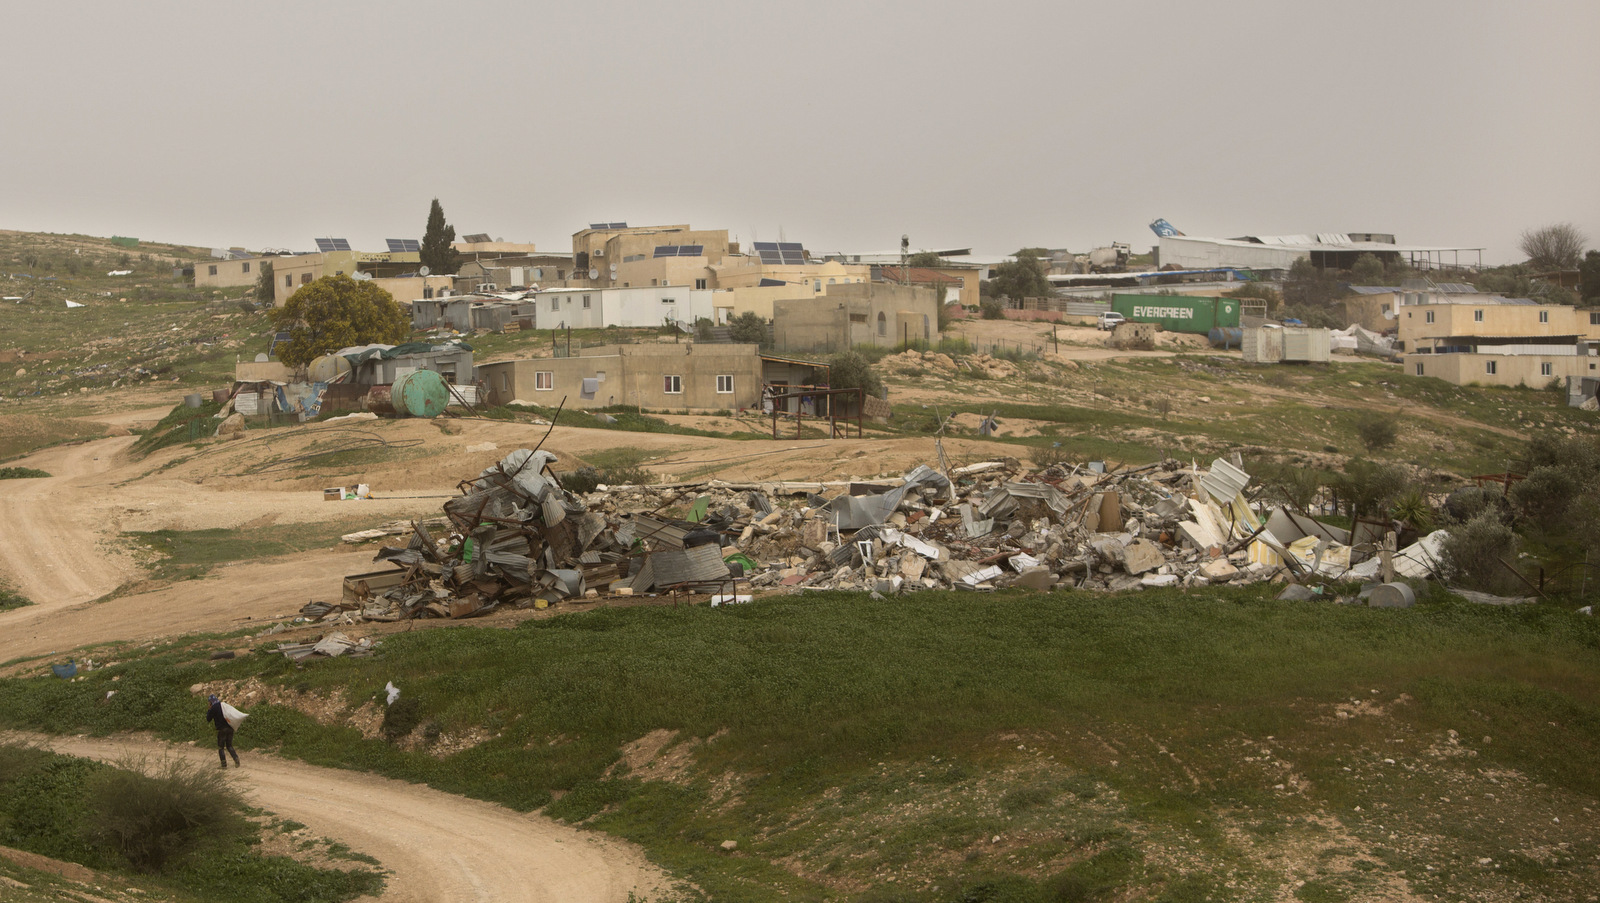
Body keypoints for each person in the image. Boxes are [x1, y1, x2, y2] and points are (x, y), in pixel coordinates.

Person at [205, 694, 241, 768]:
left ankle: (224, 765)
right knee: (229, 745)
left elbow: (208, 719)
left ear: (211, 702)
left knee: (221, 747)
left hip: (222, 729)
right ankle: (236, 758)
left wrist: (209, 710)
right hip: (230, 728)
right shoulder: (223, 705)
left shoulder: (214, 708)